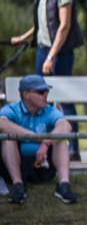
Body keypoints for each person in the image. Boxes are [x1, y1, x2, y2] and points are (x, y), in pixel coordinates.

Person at [10, 0, 85, 160]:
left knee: (65, 100)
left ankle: (73, 147)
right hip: (43, 50)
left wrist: (51, 56)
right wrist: (23, 37)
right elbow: (41, 22)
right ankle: (45, 144)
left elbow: (64, 26)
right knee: (39, 100)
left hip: (59, 52)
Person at [0, 75, 78, 204]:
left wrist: (46, 142)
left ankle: (64, 185)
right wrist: (35, 137)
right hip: (17, 164)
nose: (46, 94)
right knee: (8, 138)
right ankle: (17, 185)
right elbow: (2, 124)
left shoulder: (49, 110)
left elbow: (65, 126)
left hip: (43, 166)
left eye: (47, 91)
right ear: (26, 94)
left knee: (60, 139)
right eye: (41, 92)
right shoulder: (12, 109)